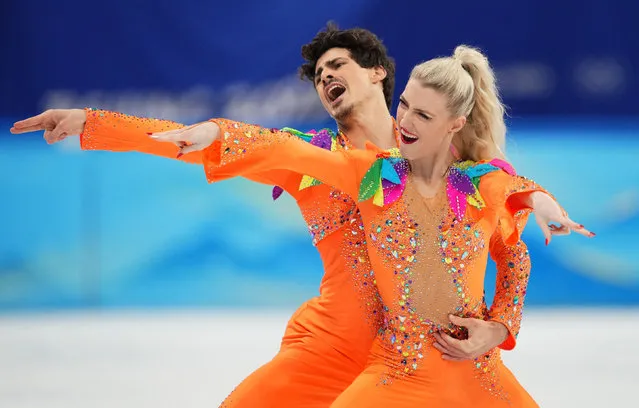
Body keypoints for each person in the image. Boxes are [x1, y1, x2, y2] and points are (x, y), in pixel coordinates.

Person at [10, 24, 589, 405]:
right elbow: (222, 142)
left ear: (378, 72)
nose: (326, 78)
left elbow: (508, 230)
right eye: (318, 76)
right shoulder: (313, 158)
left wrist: (499, 326)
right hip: (334, 347)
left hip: (431, 353)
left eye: (337, 65)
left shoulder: (445, 152)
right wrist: (95, 123)